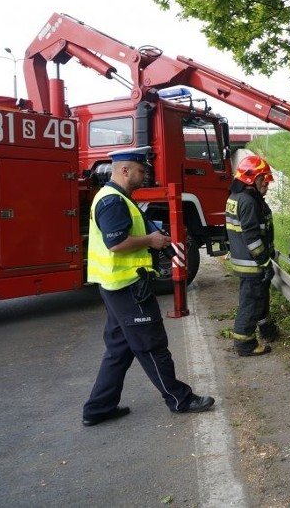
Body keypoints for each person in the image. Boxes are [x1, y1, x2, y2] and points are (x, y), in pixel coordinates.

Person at [82, 146, 214, 427]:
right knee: (152, 345)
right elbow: (116, 244)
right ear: (125, 170)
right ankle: (180, 399)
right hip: (128, 286)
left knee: (119, 348)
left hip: (117, 285)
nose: (144, 176)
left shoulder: (117, 198)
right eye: (141, 171)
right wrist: (151, 241)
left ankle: (98, 407)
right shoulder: (113, 201)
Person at [225, 154, 278, 356]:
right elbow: (253, 238)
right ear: (251, 179)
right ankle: (245, 344)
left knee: (258, 298)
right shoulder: (248, 202)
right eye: (263, 179)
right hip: (252, 262)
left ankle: (267, 330)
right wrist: (265, 262)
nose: (266, 183)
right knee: (251, 303)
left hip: (244, 260)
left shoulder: (236, 198)